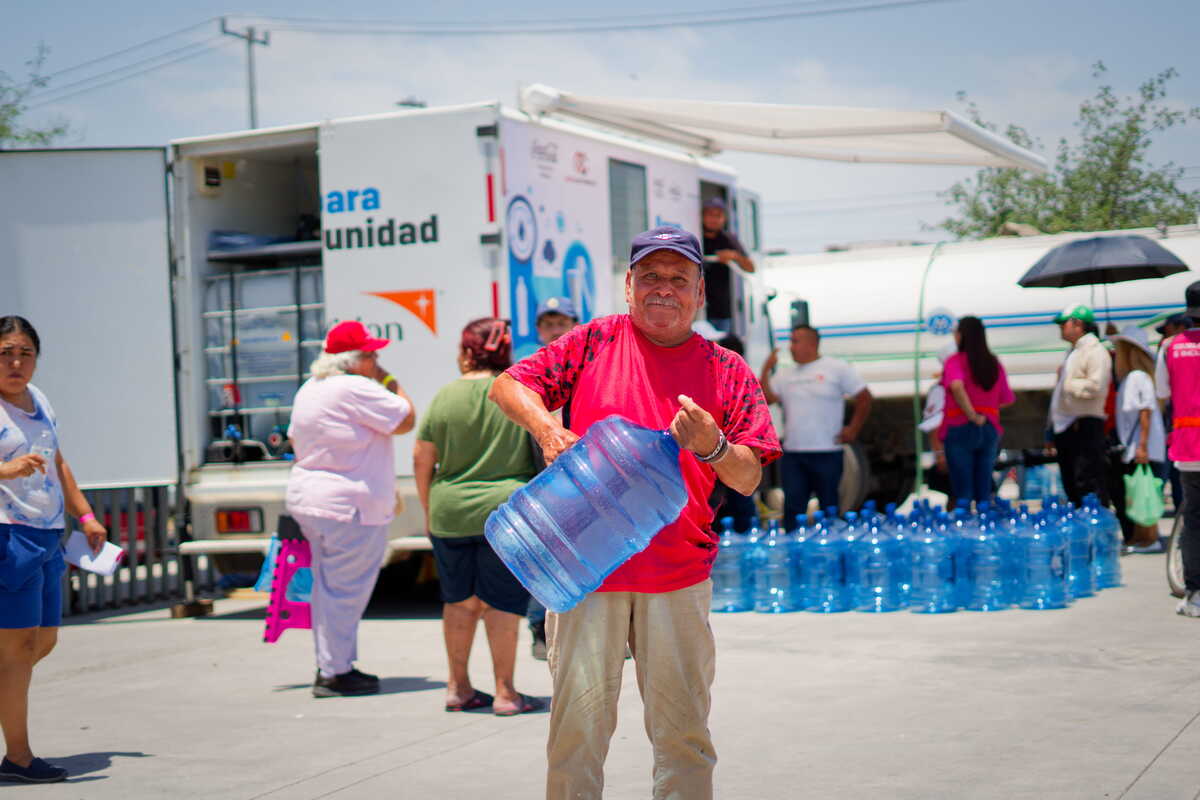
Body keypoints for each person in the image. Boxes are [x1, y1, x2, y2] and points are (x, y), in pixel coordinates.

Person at [490, 226, 780, 800]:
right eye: (650, 276)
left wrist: (712, 445)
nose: (663, 289)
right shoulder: (594, 341)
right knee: (576, 735)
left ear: (700, 294)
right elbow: (507, 385)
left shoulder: (727, 369)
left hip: (677, 575)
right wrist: (548, 429)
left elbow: (748, 478)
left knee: (684, 739)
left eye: (679, 279)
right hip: (585, 574)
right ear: (628, 286)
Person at [414, 318, 542, 716]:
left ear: (468, 351)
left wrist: (430, 511)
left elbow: (422, 458)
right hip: (505, 514)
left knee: (459, 601)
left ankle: (458, 688)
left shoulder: (444, 397)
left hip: (449, 512)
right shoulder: (517, 393)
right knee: (501, 604)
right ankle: (506, 693)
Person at [0, 316, 107, 783]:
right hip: (8, 536)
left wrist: (85, 515)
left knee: (42, 642)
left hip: (47, 536)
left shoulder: (39, 400)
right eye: (5, 353)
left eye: (24, 353)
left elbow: (59, 461)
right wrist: (6, 469)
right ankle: (18, 758)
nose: (16, 363)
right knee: (18, 649)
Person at [285, 320, 415, 698]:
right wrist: (390, 382)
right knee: (344, 592)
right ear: (353, 359)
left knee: (328, 589)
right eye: (371, 354)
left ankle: (332, 665)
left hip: (312, 499)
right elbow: (406, 418)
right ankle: (335, 672)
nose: (377, 360)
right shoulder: (356, 387)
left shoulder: (311, 387)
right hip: (348, 505)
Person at [760, 324, 872, 526]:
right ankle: (795, 550)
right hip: (794, 453)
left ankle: (829, 549)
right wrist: (766, 370)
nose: (791, 347)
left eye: (795, 341)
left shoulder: (836, 368)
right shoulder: (785, 374)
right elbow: (766, 399)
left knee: (829, 505)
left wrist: (853, 428)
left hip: (827, 450)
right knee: (793, 507)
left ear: (812, 344)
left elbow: (864, 397)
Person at [526, 297, 581, 660]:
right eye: (548, 323)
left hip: (585, 480)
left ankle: (602, 632)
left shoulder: (585, 366)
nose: (555, 329)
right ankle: (538, 631)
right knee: (545, 556)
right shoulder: (530, 372)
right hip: (543, 481)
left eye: (561, 321)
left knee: (593, 553)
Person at [1156, 281, 1200, 617]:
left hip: (1190, 449)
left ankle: (1196, 595)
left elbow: (1162, 394)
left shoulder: (1171, 347)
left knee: (1194, 521)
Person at [938, 317, 1015, 506]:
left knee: (963, 492)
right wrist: (985, 410)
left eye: (956, 332)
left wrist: (971, 414)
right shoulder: (994, 363)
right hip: (989, 428)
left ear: (963, 335)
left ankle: (965, 532)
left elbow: (956, 386)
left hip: (960, 426)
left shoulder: (955, 361)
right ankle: (985, 527)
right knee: (984, 491)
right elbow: (1007, 399)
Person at [1107, 326, 1167, 549]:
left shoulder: (1136, 377)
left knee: (1142, 494)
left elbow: (1145, 411)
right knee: (1143, 492)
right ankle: (1144, 538)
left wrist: (1141, 446)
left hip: (1142, 447)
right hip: (1143, 446)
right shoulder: (1139, 376)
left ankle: (1149, 538)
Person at [1049, 304, 1111, 506]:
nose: (1060, 328)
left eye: (1063, 323)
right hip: (1068, 425)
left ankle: (1095, 528)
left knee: (1087, 482)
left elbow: (1097, 385)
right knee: (1074, 484)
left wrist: (1068, 383)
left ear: (1078, 324)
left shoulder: (1094, 350)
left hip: (1083, 423)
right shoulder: (1075, 351)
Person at [700, 198, 755, 332]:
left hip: (720, 311)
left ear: (724, 218)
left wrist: (734, 256)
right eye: (710, 214)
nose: (714, 219)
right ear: (702, 216)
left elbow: (751, 268)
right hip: (696, 309)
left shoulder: (728, 239)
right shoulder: (695, 236)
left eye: (718, 215)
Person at [1157, 313, 1192, 515]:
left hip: (1184, 439)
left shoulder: (1170, 347)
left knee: (1190, 507)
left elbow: (1162, 391)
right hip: (1182, 436)